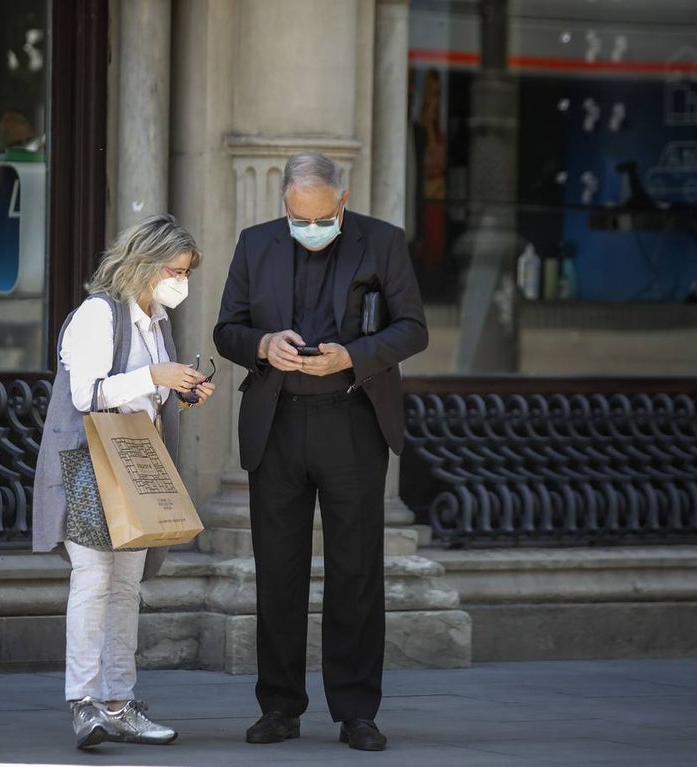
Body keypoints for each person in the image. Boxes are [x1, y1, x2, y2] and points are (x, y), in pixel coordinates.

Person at [213, 152, 428, 752]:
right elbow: (225, 329)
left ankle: (357, 711)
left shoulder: (383, 242)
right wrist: (261, 343)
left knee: (356, 572)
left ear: (343, 199)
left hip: (353, 421)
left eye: (320, 217)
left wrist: (353, 356)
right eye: (296, 217)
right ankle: (279, 706)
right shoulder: (255, 244)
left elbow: (413, 327)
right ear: (284, 203)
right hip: (277, 423)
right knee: (277, 572)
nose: (309, 229)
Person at [32, 213, 215, 750]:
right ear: (142, 263)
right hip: (91, 462)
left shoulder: (155, 319)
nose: (180, 281)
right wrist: (155, 375)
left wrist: (178, 388)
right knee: (92, 580)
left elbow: (143, 394)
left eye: (186, 272)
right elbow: (87, 394)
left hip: (138, 459)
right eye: (175, 270)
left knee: (126, 585)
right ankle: (84, 704)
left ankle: (119, 702)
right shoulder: (97, 315)